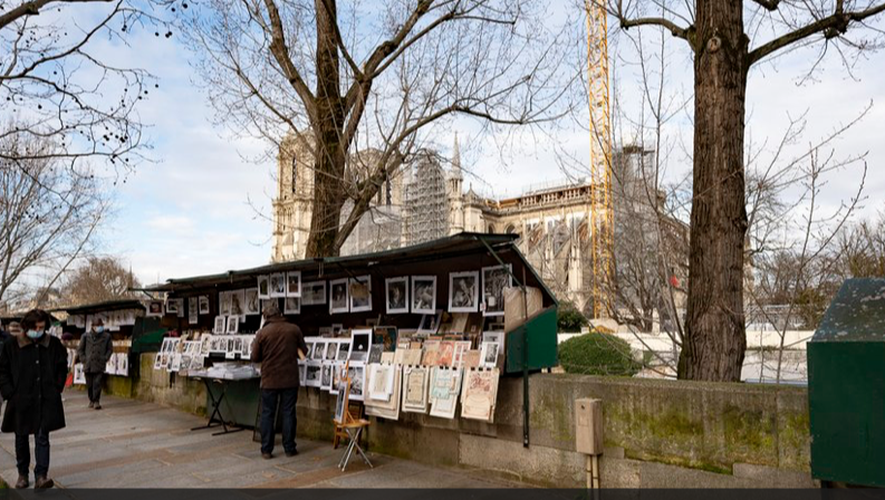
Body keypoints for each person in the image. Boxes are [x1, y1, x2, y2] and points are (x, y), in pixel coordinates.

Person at [0, 309, 68, 489]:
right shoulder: (11, 345)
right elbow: (3, 370)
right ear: (27, 326)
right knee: (21, 437)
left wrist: (57, 386)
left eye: (42, 327)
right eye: (36, 327)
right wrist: (9, 392)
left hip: (45, 398)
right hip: (20, 399)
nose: (39, 330)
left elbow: (62, 365)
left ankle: (41, 476)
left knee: (42, 437)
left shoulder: (52, 344)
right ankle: (22, 474)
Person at [251, 301, 307, 459]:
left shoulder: (262, 333)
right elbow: (304, 351)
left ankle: (266, 449)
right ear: (280, 314)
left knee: (268, 413)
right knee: (289, 412)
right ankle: (289, 448)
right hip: (290, 378)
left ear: (266, 316)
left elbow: (255, 357)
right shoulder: (294, 329)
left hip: (269, 380)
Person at [76, 318, 113, 410]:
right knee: (89, 384)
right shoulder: (85, 336)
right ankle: (91, 400)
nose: (99, 328)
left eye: (100, 326)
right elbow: (80, 349)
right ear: (92, 327)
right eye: (97, 326)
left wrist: (105, 358)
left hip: (99, 363)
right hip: (88, 364)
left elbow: (110, 349)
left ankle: (96, 401)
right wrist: (84, 359)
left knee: (97, 383)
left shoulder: (107, 336)